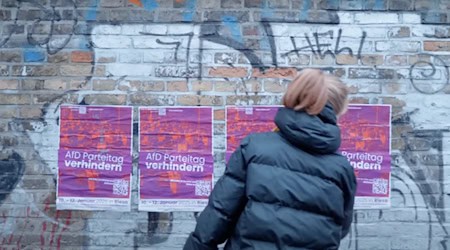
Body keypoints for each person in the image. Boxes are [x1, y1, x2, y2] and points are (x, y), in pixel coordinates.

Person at [183, 68, 357, 250]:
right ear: (335, 110)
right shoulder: (342, 169)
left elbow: (218, 216)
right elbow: (339, 229)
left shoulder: (255, 148)